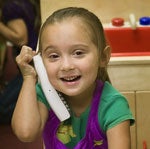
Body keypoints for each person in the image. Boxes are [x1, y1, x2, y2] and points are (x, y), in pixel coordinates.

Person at [12, 7, 134, 149]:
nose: (66, 66)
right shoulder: (45, 94)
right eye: (54, 56)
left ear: (103, 57)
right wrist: (28, 77)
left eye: (78, 53)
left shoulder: (113, 106)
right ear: (41, 61)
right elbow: (26, 133)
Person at [0, 0, 41, 124]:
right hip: (35, 60)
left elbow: (21, 38)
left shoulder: (10, 7)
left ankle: (36, 107)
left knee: (2, 109)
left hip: (30, 64)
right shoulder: (23, 2)